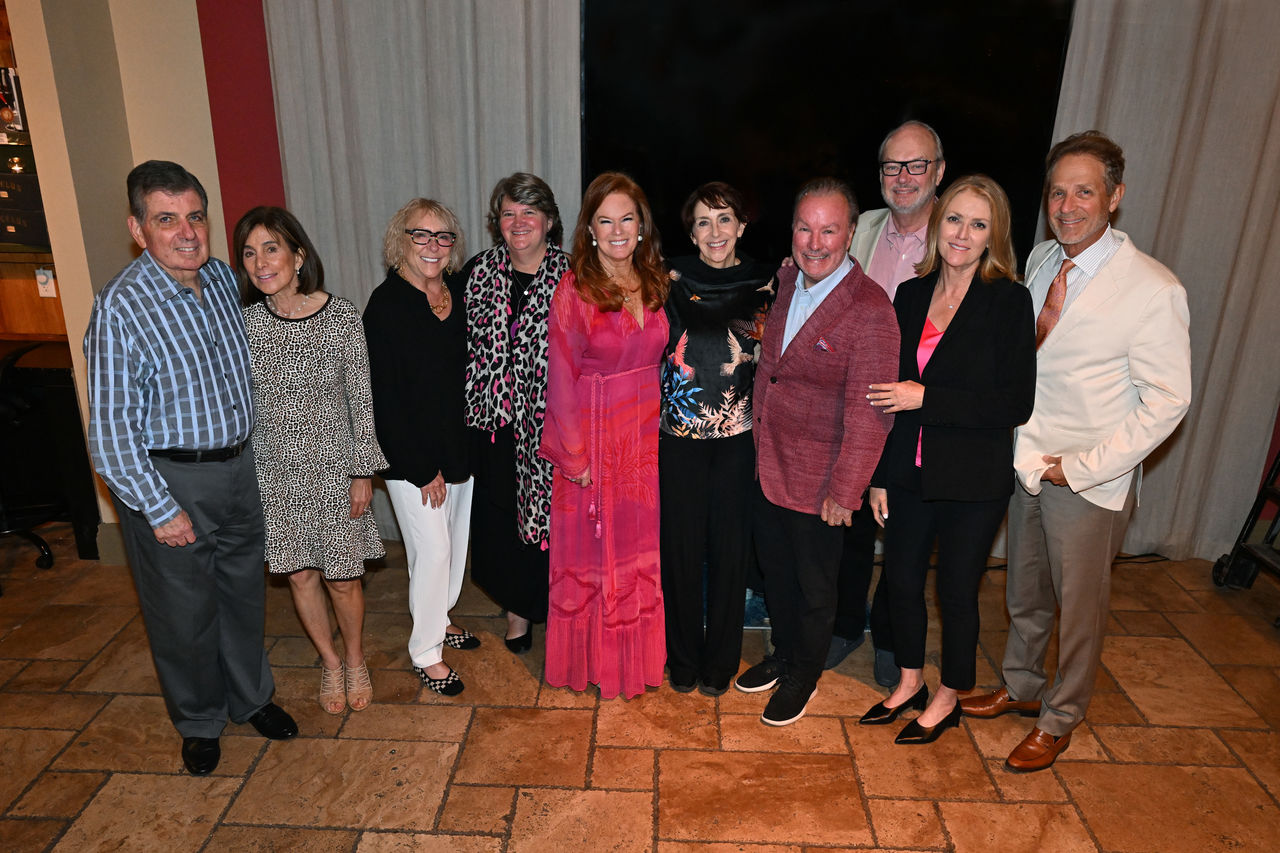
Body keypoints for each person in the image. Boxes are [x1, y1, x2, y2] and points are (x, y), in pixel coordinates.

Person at [960, 131, 1191, 771]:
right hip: (1025, 462)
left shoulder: (1153, 288)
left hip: (1088, 480)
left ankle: (1061, 717)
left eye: (1083, 191)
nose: (1067, 205)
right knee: (1025, 592)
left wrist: (1082, 467)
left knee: (1079, 609)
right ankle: (1023, 686)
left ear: (1114, 197)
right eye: (1057, 191)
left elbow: (1168, 401)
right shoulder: (1039, 260)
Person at [84, 161, 297, 776]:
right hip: (170, 480)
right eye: (166, 218)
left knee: (241, 595)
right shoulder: (122, 307)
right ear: (138, 227)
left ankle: (251, 698)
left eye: (196, 216)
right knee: (183, 613)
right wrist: (159, 507)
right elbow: (110, 431)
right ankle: (199, 721)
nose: (186, 231)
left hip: (238, 468)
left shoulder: (226, 282)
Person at [858, 175, 1035, 743]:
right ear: (939, 224)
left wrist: (927, 397)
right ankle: (909, 680)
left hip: (972, 481)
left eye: (978, 224)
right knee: (902, 581)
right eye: (954, 219)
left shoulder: (1009, 299)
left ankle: (950, 694)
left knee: (956, 592)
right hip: (907, 471)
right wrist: (882, 477)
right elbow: (891, 395)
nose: (962, 233)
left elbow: (1015, 402)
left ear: (994, 235)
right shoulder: (910, 294)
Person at [734, 178, 899, 726]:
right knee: (777, 574)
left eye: (829, 229)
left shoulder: (871, 309)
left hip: (823, 480)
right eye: (805, 228)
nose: (815, 241)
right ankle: (783, 654)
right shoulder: (786, 281)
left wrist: (846, 489)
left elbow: (872, 411)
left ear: (851, 233)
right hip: (768, 465)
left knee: (814, 586)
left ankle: (804, 673)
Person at [233, 206, 388, 715]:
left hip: (334, 469)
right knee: (300, 575)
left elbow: (361, 399)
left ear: (298, 255)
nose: (260, 263)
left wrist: (362, 471)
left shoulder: (342, 316)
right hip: (274, 472)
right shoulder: (244, 326)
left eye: (271, 248)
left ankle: (355, 657)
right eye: (250, 253)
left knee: (343, 577)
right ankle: (329, 663)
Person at [538, 171, 670, 699]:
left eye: (627, 218)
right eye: (605, 220)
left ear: (642, 226)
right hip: (592, 440)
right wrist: (574, 457)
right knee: (592, 555)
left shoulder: (656, 280)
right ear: (589, 229)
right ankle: (592, 660)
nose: (617, 230)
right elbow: (561, 375)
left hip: (643, 443)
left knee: (637, 551)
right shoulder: (575, 288)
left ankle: (633, 662)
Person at [828, 121, 948, 680]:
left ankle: (889, 634)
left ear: (938, 172)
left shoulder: (959, 234)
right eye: (892, 167)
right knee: (850, 524)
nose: (903, 178)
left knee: (904, 535)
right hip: (859, 401)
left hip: (917, 411)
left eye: (916, 165)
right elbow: (818, 263)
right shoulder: (863, 228)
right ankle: (845, 625)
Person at [660, 181, 774, 696]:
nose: (714, 231)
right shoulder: (667, 278)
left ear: (742, 226)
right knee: (680, 551)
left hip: (737, 438)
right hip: (678, 437)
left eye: (724, 219)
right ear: (691, 230)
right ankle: (681, 660)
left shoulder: (765, 282)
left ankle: (721, 662)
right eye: (703, 221)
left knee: (730, 552)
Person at [363, 198, 477, 697]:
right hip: (412, 457)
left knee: (451, 549)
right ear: (399, 241)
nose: (433, 246)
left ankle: (442, 615)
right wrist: (417, 467)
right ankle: (426, 651)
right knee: (431, 551)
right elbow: (383, 399)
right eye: (421, 235)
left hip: (458, 448)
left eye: (443, 236)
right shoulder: (386, 306)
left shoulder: (457, 293)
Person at [463, 173, 571, 653]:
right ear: (497, 224)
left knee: (552, 520)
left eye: (529, 212)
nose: (519, 222)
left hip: (554, 423)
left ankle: (556, 606)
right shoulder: (476, 273)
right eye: (509, 213)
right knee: (502, 519)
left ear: (548, 220)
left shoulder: (575, 277)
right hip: (495, 424)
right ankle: (517, 613)